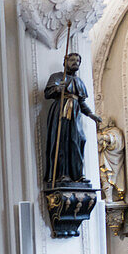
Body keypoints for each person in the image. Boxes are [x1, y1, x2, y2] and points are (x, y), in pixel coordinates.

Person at [44, 51, 101, 186]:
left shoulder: (79, 81)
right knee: (62, 141)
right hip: (61, 112)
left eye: (78, 61)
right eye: (72, 60)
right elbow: (47, 94)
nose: (76, 63)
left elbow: (81, 102)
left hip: (75, 115)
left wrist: (91, 115)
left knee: (79, 140)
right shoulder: (57, 77)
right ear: (65, 62)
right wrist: (58, 88)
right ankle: (62, 174)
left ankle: (77, 175)